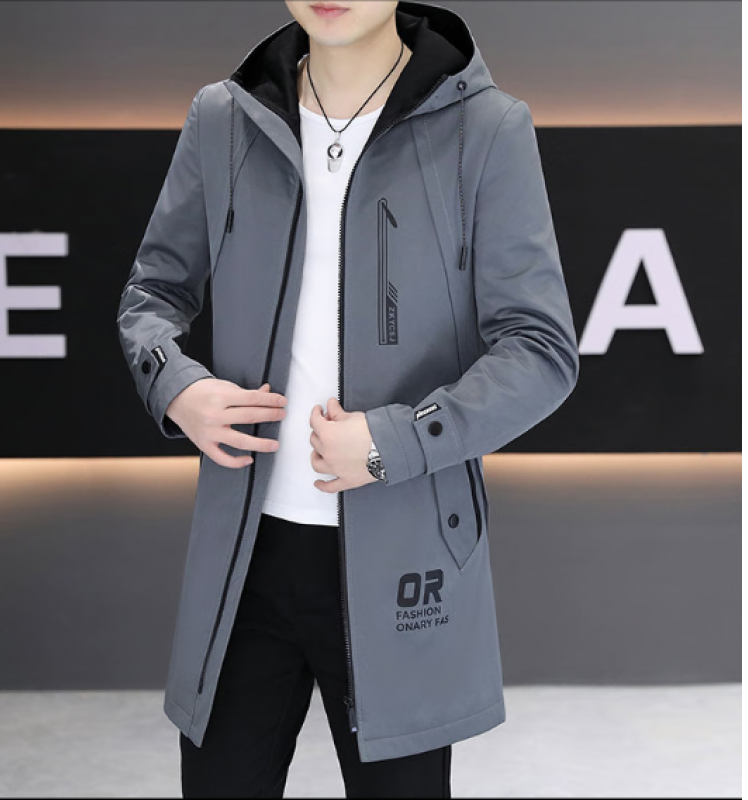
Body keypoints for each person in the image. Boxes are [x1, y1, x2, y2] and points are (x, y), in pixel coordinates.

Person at [116, 0, 580, 797]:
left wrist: (397, 440)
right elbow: (151, 294)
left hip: (403, 556)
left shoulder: (486, 128)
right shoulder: (224, 118)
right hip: (244, 555)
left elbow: (541, 351)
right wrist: (177, 384)